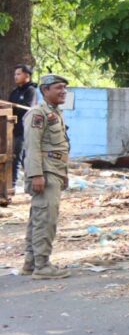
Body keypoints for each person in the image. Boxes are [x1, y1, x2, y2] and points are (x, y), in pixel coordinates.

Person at [20, 74, 71, 279]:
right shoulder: (38, 114)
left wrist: (64, 174)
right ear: (45, 90)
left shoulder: (55, 113)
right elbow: (32, 146)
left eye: (64, 88)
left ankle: (31, 263)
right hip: (45, 172)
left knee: (38, 217)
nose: (63, 91)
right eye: (58, 87)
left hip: (54, 170)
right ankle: (42, 266)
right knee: (46, 219)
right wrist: (36, 175)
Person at [8, 64, 38, 187]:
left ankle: (12, 185)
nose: (16, 77)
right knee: (20, 157)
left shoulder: (31, 91)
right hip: (12, 129)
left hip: (25, 129)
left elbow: (27, 109)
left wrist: (14, 107)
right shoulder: (15, 92)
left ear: (27, 75)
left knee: (18, 156)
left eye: (18, 74)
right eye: (15, 74)